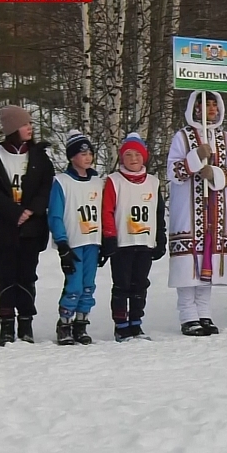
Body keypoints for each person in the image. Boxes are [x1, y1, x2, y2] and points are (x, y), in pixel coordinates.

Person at [166, 91, 227, 336]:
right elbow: (174, 171)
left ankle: (204, 312)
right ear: (195, 108)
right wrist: (196, 158)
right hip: (189, 210)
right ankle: (188, 315)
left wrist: (216, 175)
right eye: (205, 104)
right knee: (190, 260)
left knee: (208, 259)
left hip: (216, 209)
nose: (211, 109)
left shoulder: (226, 138)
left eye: (214, 104)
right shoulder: (182, 136)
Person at [0, 105, 54, 345]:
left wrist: (31, 210)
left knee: (27, 275)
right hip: (4, 227)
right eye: (24, 124)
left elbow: (46, 186)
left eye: (30, 123)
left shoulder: (38, 155)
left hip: (31, 227)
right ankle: (7, 324)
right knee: (7, 275)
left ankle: (26, 323)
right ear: (12, 129)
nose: (29, 128)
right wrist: (13, 212)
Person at [100, 132, 166, 341]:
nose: (133, 159)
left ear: (144, 157)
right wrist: (109, 237)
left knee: (140, 284)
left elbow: (158, 212)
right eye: (128, 155)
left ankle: (136, 323)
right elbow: (107, 210)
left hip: (145, 241)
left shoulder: (153, 183)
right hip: (123, 242)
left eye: (137, 155)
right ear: (122, 158)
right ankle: (121, 325)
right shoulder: (113, 180)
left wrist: (160, 237)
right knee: (122, 285)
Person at [48, 130, 103, 345]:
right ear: (72, 157)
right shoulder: (61, 182)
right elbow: (55, 214)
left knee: (89, 285)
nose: (87, 157)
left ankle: (81, 323)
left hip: (92, 241)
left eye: (90, 153)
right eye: (82, 154)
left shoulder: (98, 181)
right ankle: (64, 323)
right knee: (74, 285)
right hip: (73, 242)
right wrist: (62, 243)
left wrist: (106, 240)